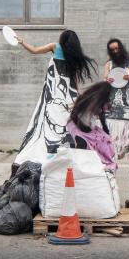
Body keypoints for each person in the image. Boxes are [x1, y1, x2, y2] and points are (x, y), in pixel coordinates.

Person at [12, 30, 96, 168]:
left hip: (53, 93)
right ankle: (68, 151)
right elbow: (74, 79)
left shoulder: (55, 47)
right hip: (67, 94)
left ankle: (51, 151)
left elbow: (34, 50)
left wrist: (22, 42)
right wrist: (78, 94)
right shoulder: (72, 54)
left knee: (48, 121)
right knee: (67, 121)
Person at [102, 38, 129, 157]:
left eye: (117, 48)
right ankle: (115, 148)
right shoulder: (108, 64)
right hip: (113, 93)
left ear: (121, 47)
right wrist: (107, 80)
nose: (115, 51)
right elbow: (105, 78)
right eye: (112, 50)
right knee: (114, 119)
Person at [64, 82, 117, 172]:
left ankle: (103, 161)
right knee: (97, 142)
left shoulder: (97, 103)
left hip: (86, 127)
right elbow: (83, 126)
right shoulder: (89, 104)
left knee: (104, 139)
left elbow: (102, 118)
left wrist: (106, 133)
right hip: (78, 127)